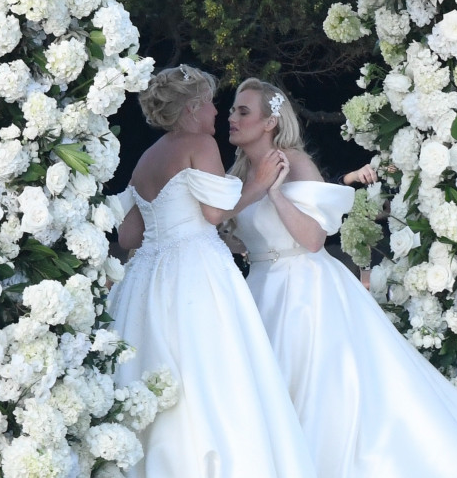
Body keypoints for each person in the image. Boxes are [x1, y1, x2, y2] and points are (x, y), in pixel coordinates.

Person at [226, 78, 457, 478]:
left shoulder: (294, 163)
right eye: (232, 110)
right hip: (260, 290)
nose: (232, 118)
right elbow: (239, 237)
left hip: (302, 291)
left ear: (271, 121)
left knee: (316, 395)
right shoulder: (238, 172)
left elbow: (312, 238)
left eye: (243, 111)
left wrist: (273, 193)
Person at [107, 66, 316, 478]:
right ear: (190, 109)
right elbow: (215, 212)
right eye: (209, 103)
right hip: (195, 270)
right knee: (211, 369)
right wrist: (257, 184)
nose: (217, 113)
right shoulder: (199, 143)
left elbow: (130, 235)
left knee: (158, 367)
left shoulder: (148, 157)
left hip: (147, 278)